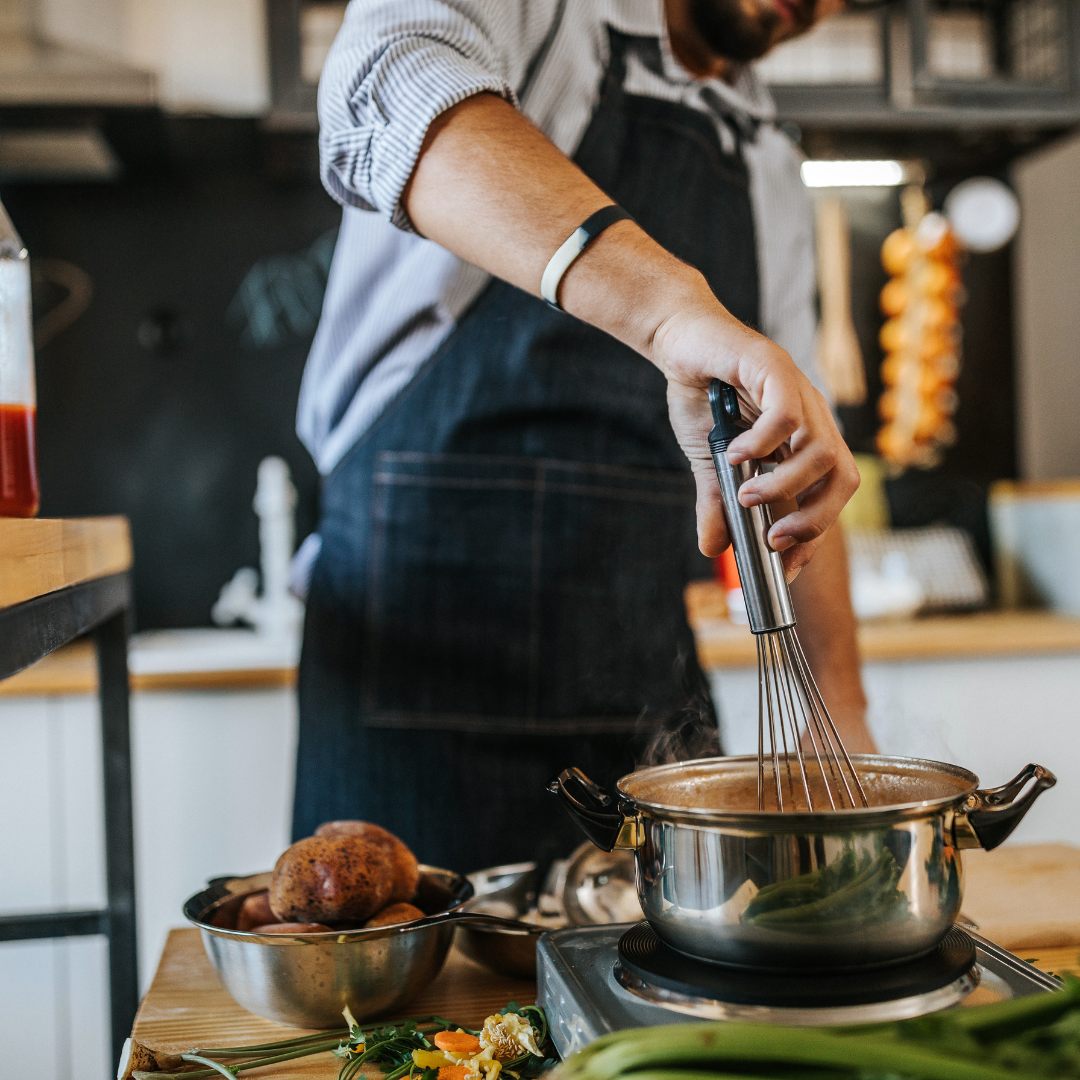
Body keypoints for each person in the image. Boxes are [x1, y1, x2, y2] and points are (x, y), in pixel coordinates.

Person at [291, 0, 874, 871]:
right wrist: (672, 312)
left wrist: (844, 717)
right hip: (412, 668)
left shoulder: (768, 165)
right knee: (398, 1005)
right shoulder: (545, 17)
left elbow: (792, 455)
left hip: (642, 682)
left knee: (680, 993)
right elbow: (393, 73)